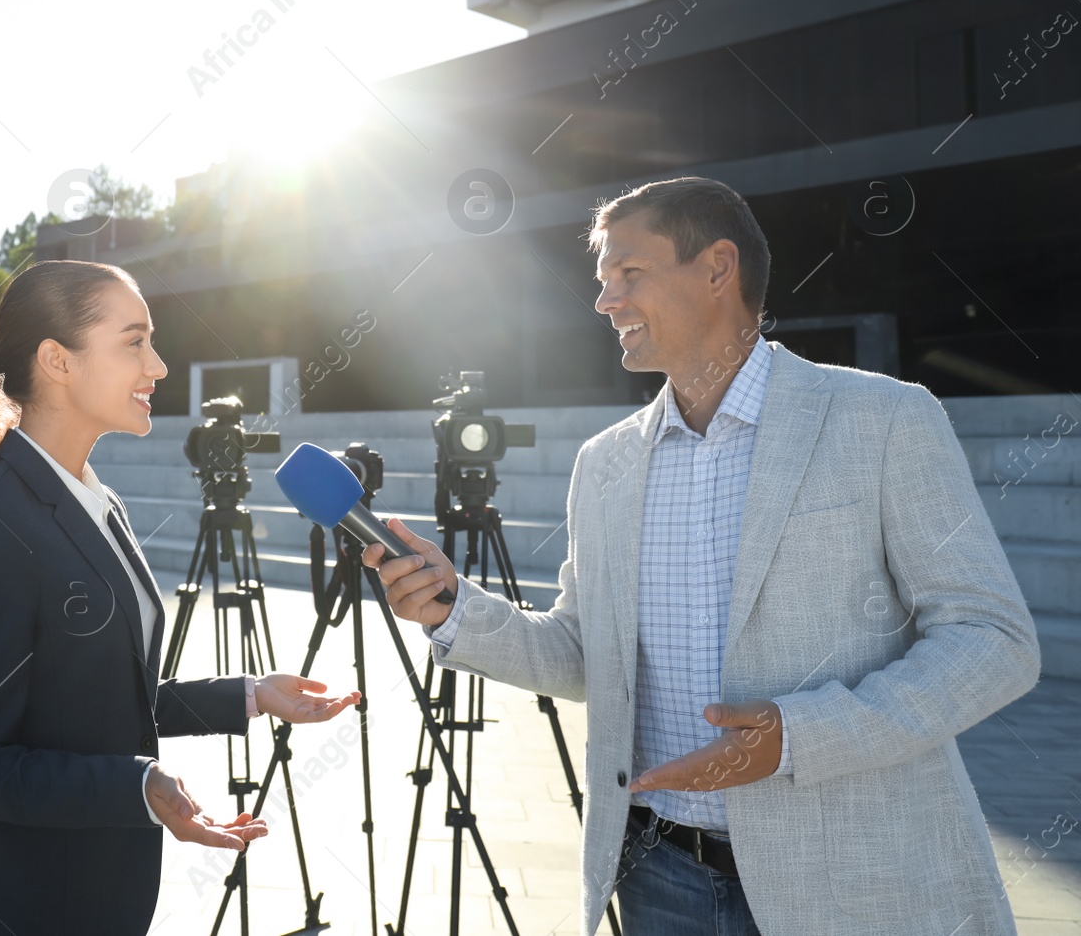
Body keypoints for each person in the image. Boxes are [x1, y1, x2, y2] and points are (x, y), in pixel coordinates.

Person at [364, 177, 1040, 936]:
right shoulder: (605, 463)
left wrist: (798, 738)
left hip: (855, 883)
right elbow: (585, 654)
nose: (605, 300)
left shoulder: (884, 419)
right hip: (661, 879)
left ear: (718, 269)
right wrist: (455, 606)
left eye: (629, 274)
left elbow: (993, 640)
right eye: (602, 281)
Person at [0, 259, 360, 935]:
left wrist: (251, 693)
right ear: (57, 359)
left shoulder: (99, 500)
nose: (160, 365)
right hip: (9, 910)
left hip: (98, 901)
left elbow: (98, 695)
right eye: (133, 341)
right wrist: (137, 785)